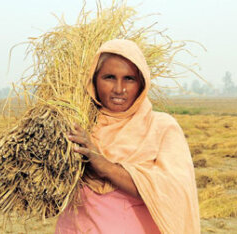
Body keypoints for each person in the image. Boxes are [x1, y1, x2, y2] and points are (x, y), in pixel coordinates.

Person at [55, 39, 200, 233]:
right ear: (94, 80)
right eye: (109, 77)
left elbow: (174, 193)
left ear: (141, 83)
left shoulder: (161, 128)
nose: (119, 89)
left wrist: (104, 166)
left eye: (129, 79)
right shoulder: (79, 127)